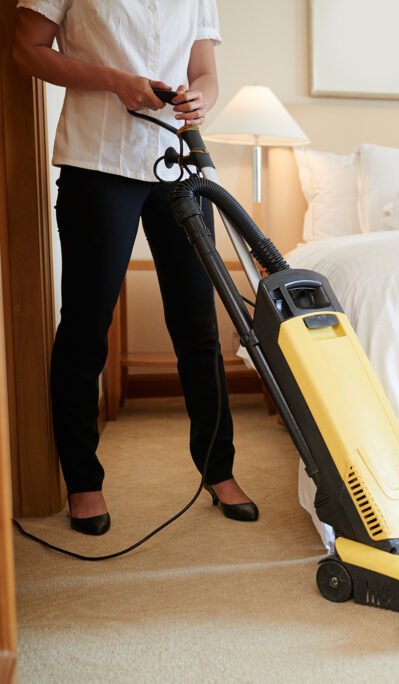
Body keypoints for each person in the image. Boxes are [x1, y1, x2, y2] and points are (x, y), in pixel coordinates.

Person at [13, 0, 257, 535]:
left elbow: (204, 73)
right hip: (98, 162)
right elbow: (25, 48)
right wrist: (115, 81)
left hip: (176, 161)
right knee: (85, 327)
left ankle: (219, 470)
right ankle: (83, 482)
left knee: (198, 328)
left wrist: (202, 99)